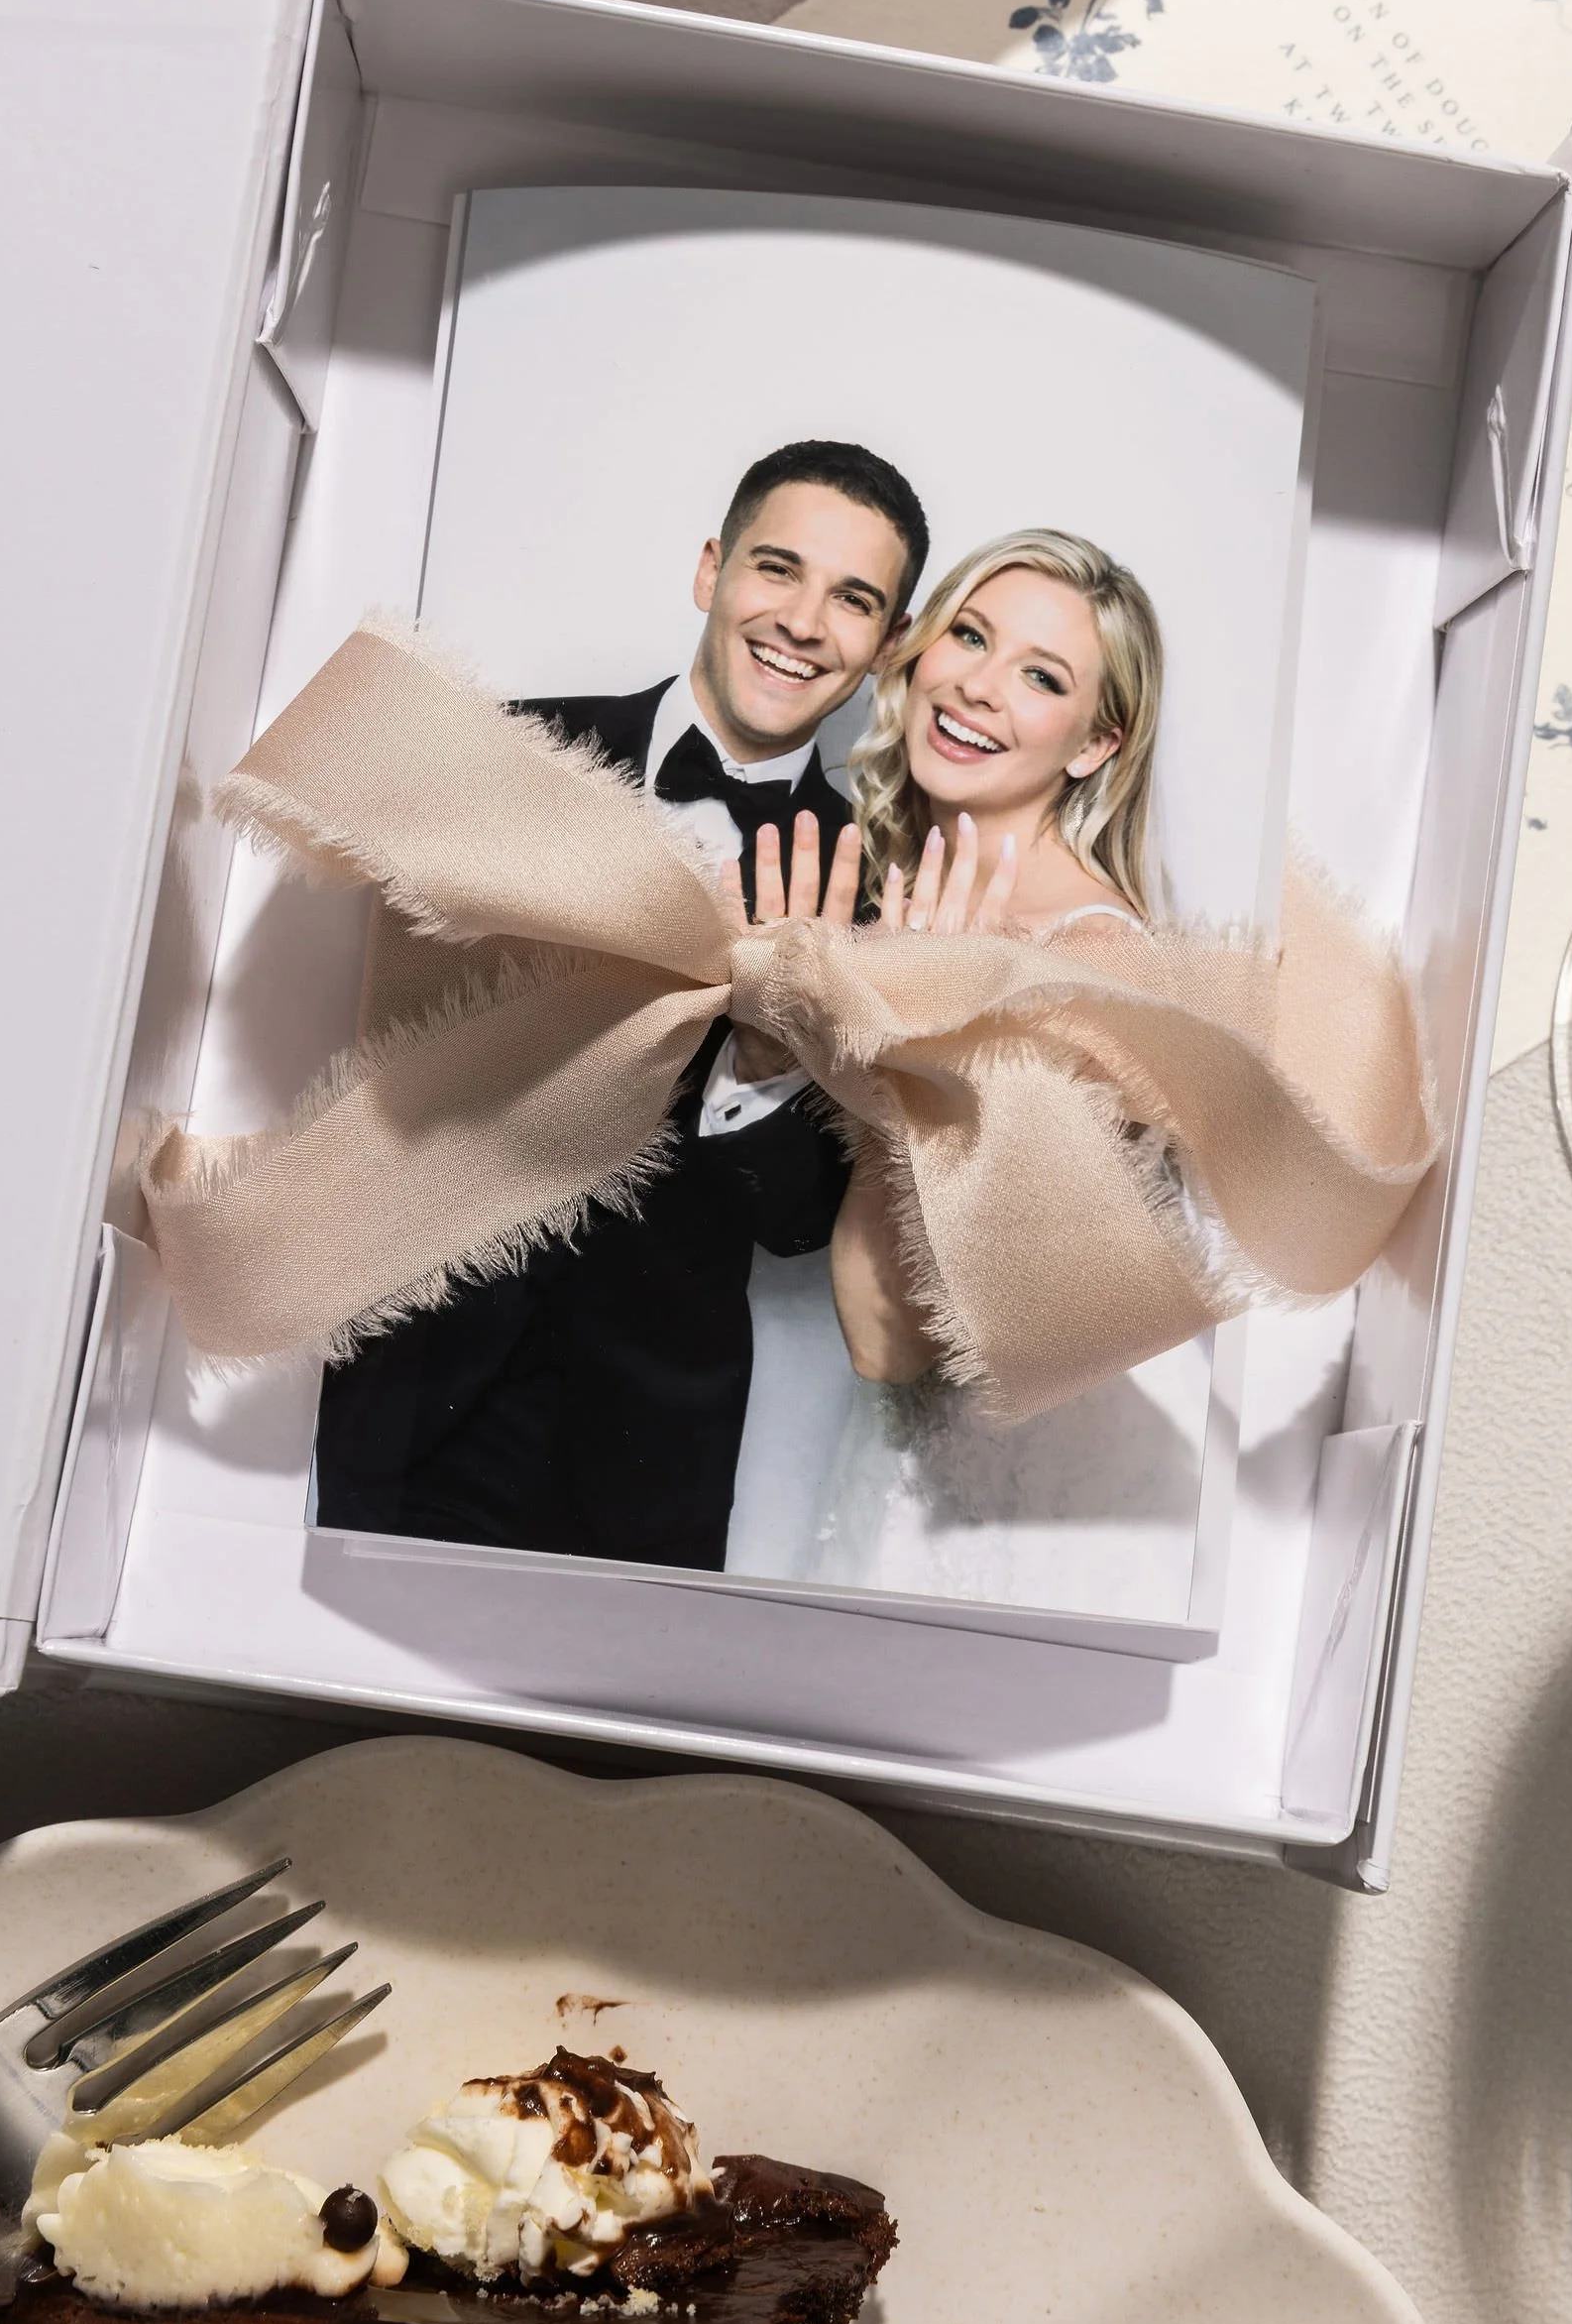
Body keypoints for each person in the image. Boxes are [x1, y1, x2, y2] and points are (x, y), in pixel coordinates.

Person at [310, 440, 930, 1574]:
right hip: (414, 1364)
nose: (801, 619)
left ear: (887, 647)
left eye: (852, 599)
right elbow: (379, 1024)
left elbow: (796, 1221)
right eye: (775, 568)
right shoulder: (509, 751)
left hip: (647, 1439)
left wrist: (764, 1051)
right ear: (710, 570)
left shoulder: (871, 889)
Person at [760, 528, 1192, 1609]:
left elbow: (888, 1336)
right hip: (891, 1481)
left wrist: (894, 1062)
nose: (977, 687)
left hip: (1015, 1536)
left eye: (1039, 675)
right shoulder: (889, 894)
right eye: (969, 635)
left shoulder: (1094, 960)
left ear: (1094, 744)